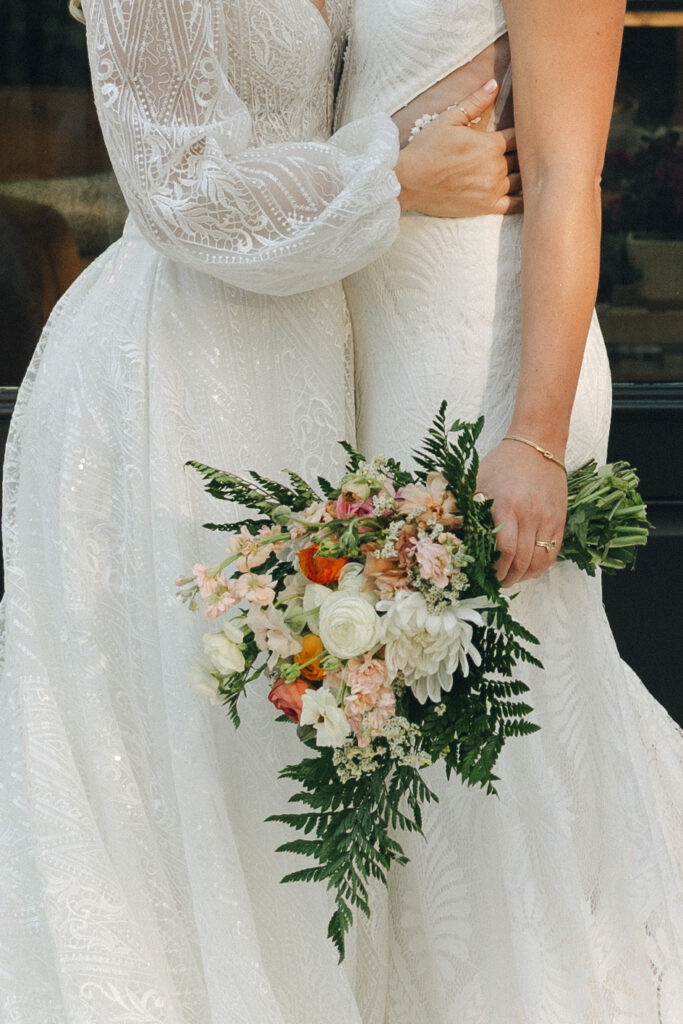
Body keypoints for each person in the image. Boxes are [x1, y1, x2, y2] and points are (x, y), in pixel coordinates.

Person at [0, 1, 524, 1021]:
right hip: (177, 379)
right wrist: (391, 173)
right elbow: (180, 190)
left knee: (276, 760)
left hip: (307, 362)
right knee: (190, 753)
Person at [337, 0, 683, 1020]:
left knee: (492, 718)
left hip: (481, 363)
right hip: (379, 344)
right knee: (398, 720)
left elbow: (570, 179)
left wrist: (532, 437)